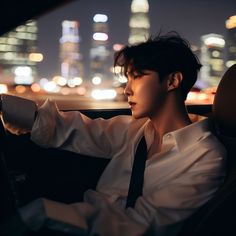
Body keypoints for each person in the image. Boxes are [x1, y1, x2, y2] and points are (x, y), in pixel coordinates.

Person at [0, 32, 226, 236]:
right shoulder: (135, 130)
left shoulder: (206, 157)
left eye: (136, 76)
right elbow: (68, 128)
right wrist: (3, 105)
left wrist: (43, 212)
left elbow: (140, 224)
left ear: (172, 81)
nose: (127, 89)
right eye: (127, 79)